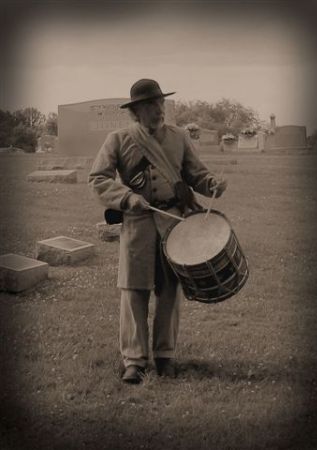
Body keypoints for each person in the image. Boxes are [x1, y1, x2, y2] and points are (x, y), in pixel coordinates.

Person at [88, 79, 227, 384]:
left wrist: (211, 182)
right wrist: (126, 197)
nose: (158, 109)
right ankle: (134, 361)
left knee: (169, 291)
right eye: (150, 105)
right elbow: (98, 178)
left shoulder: (178, 137)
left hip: (173, 224)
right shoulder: (118, 138)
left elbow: (196, 173)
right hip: (137, 224)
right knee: (134, 291)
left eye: (160, 103)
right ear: (135, 111)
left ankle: (165, 356)